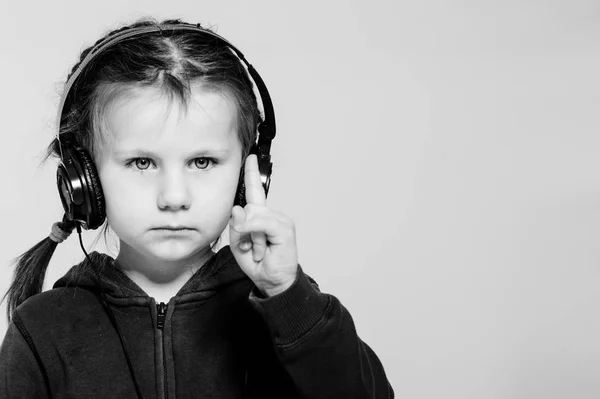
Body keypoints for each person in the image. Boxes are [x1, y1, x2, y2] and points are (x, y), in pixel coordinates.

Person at [0, 18, 394, 398]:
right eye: (142, 163)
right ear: (83, 180)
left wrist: (287, 295)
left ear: (248, 175)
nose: (174, 197)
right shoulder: (43, 329)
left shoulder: (288, 312)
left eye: (202, 162)